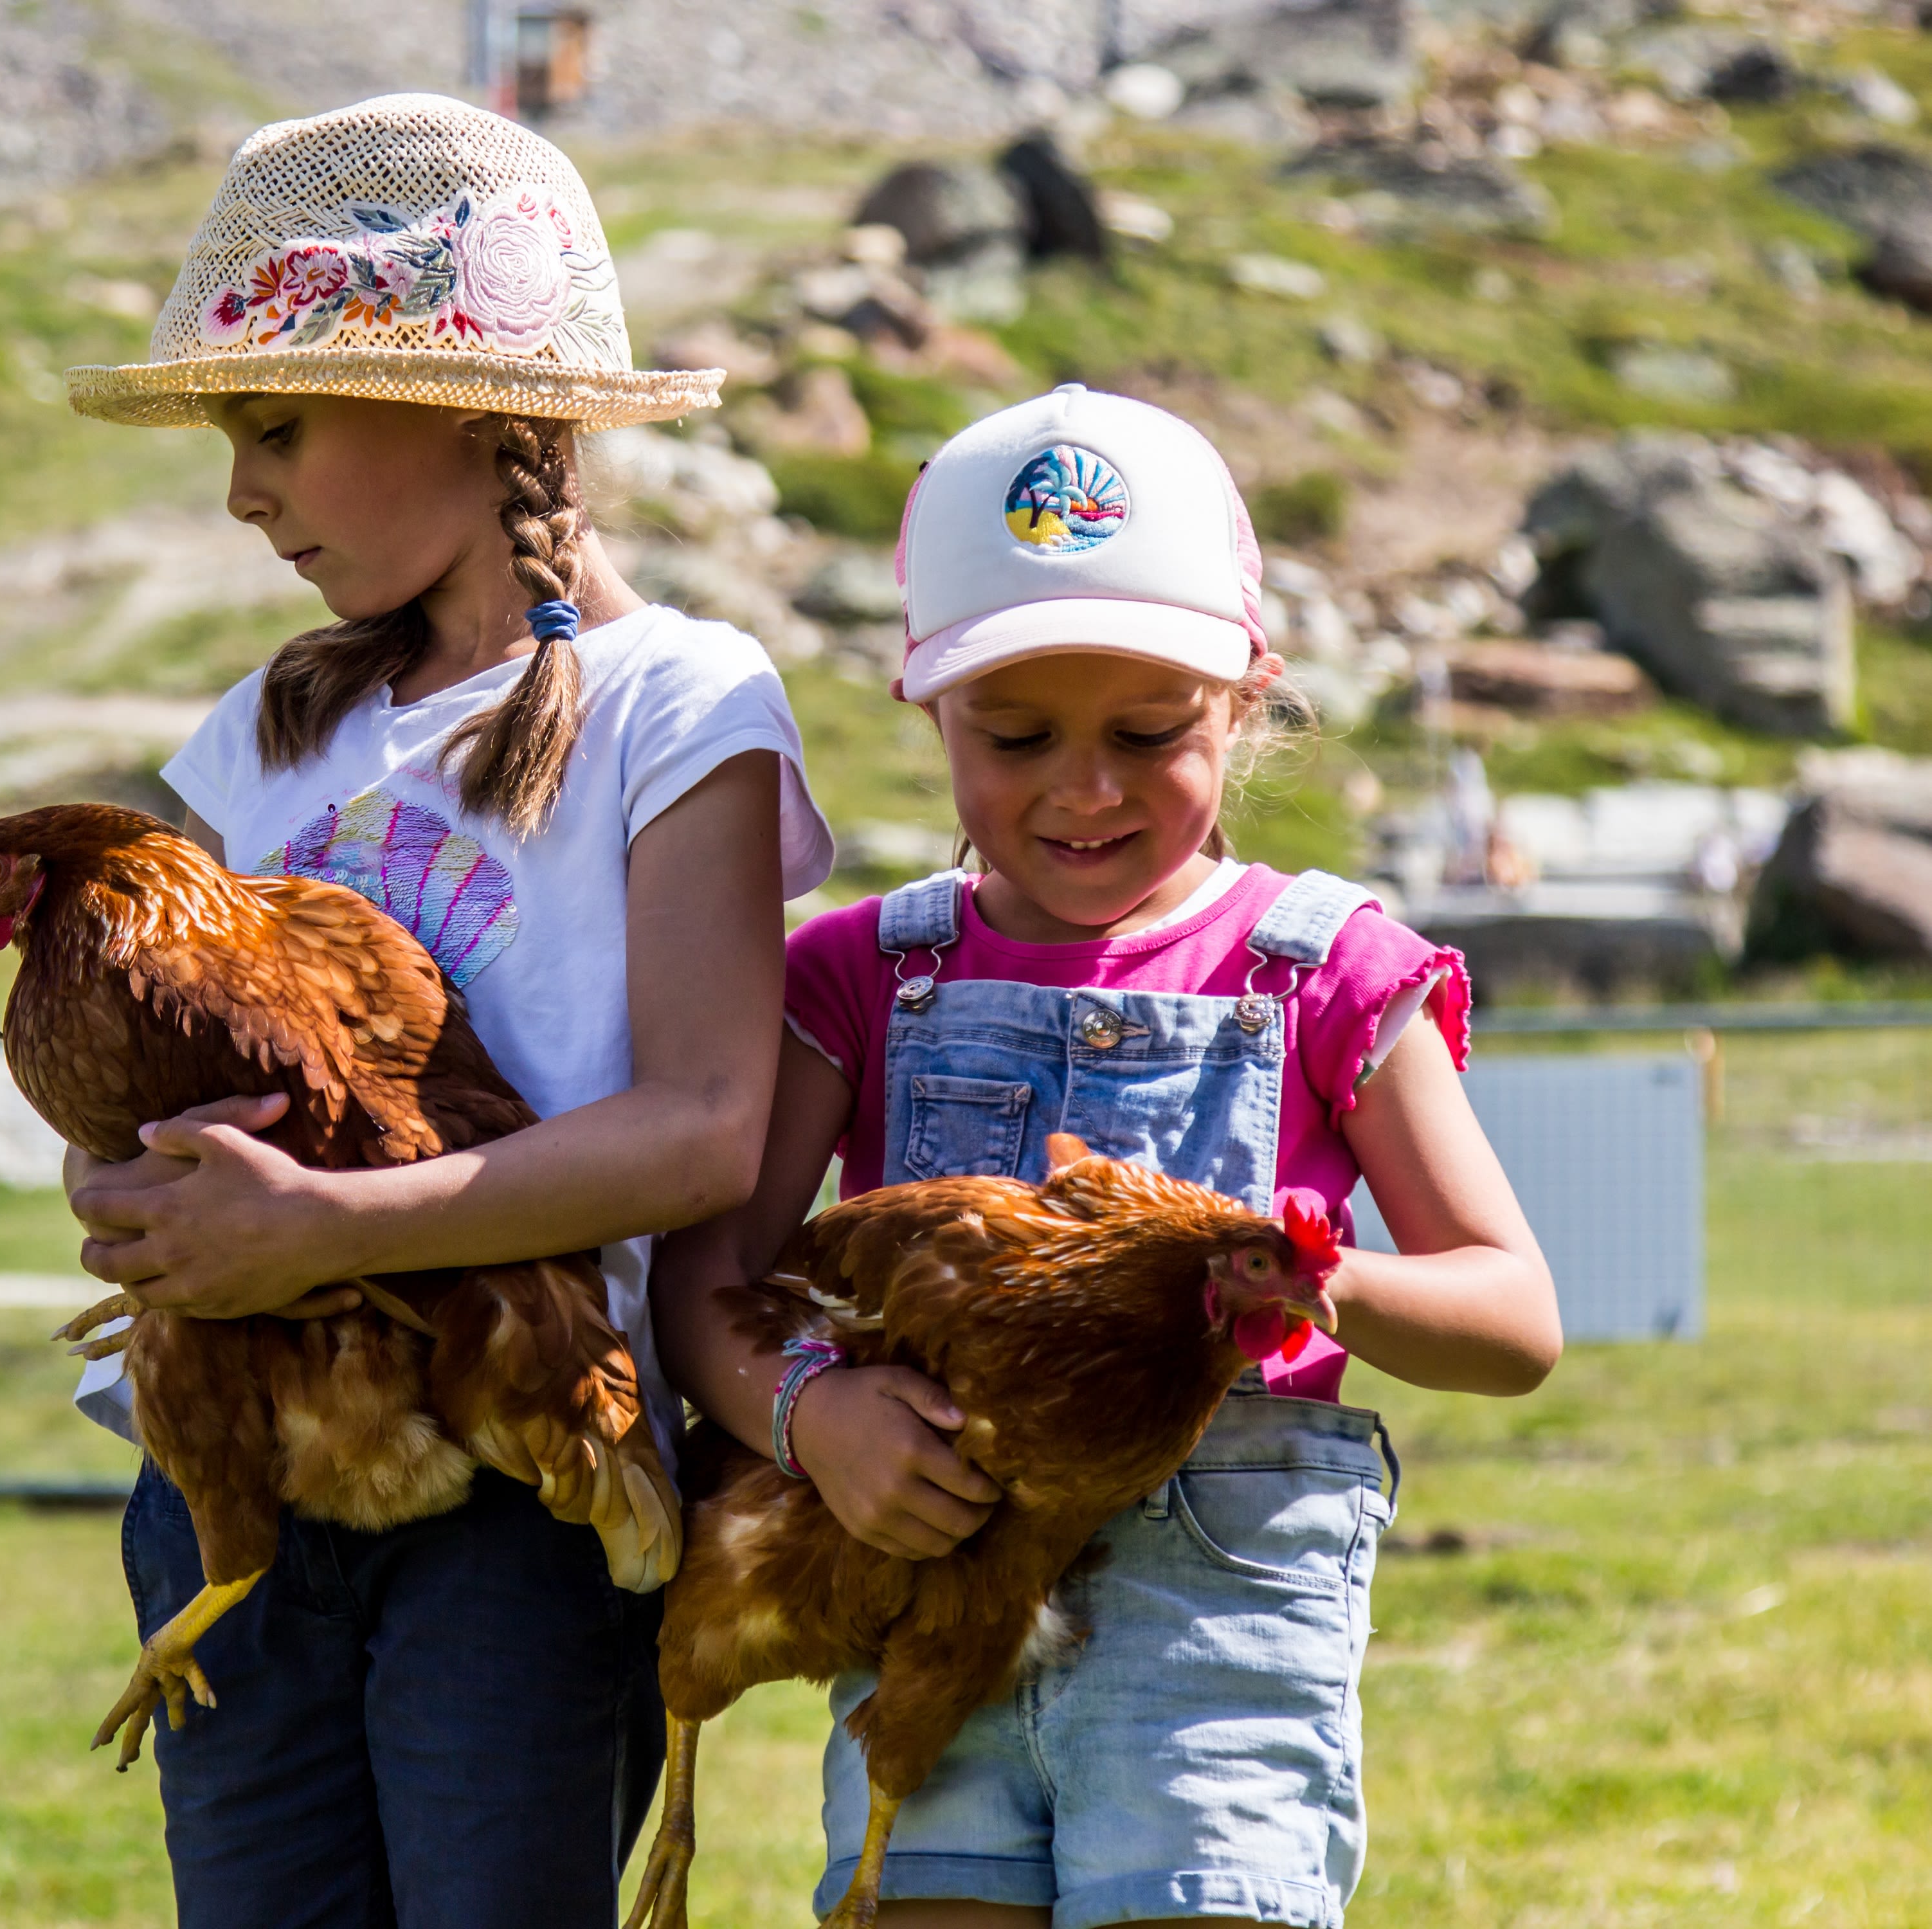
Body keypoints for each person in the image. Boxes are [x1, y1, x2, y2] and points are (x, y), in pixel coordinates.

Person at [54, 94, 836, 1928]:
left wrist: (324, 1224)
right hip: (235, 1470)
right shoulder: (260, 734)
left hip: (522, 1487)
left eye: (272, 426)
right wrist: (144, 1205)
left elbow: (703, 1126)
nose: (243, 491)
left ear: (465, 410)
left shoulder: (680, 702)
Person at [653, 385, 1561, 1929]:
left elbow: (1516, 1317)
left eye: (1152, 735)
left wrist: (1314, 1287)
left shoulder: (1326, 970)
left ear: (1248, 698)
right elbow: (706, 1278)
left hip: (1218, 1632)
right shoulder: (862, 975)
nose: (1086, 788)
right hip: (931, 1578)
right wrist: (813, 1420)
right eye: (1017, 738)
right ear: (925, 711)